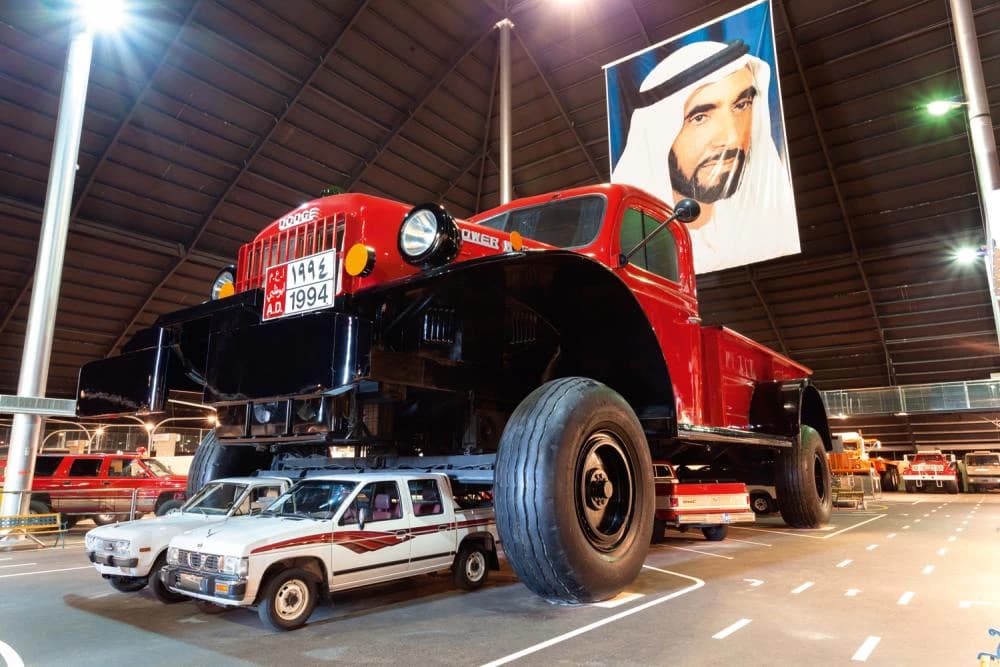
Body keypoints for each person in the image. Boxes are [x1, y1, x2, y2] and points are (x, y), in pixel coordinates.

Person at [612, 40, 799, 274]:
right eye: (700, 118)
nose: (732, 138)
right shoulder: (639, 252)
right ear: (658, 136)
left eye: (741, 105)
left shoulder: (765, 230)